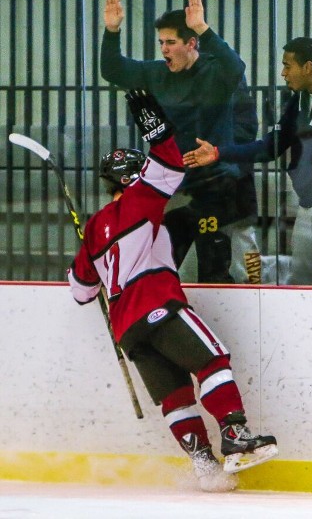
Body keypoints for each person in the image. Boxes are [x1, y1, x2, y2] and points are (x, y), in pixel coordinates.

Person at [67, 90, 278, 492]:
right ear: (132, 179)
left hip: (126, 329)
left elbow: (81, 291)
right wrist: (156, 124)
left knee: (176, 398)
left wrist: (86, 250)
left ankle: (205, 466)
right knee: (213, 362)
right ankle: (234, 436)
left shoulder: (94, 229)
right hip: (157, 304)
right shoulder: (139, 201)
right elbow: (167, 162)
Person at [101, 0, 261, 284]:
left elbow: (235, 68)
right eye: (161, 42)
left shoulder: (217, 73)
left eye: (171, 42)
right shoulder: (156, 72)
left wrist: (203, 27)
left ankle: (250, 301)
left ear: (191, 44)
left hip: (220, 181)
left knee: (227, 259)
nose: (164, 49)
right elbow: (112, 70)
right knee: (164, 256)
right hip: (177, 182)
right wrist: (112, 31)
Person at [184, 37, 312, 286]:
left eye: (287, 66)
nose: (283, 73)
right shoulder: (299, 101)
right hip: (308, 198)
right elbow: (270, 147)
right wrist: (219, 153)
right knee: (301, 279)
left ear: (307, 67)